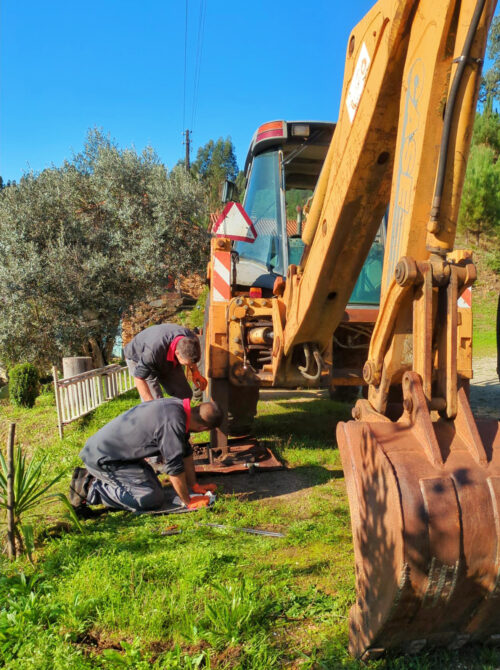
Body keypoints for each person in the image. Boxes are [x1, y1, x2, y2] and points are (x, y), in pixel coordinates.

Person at [69, 398, 222, 513]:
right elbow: (174, 467)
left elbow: (186, 452)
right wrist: (188, 501)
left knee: (155, 489)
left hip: (121, 457)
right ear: (203, 428)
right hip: (104, 460)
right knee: (151, 499)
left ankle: (98, 481)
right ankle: (90, 487)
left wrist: (194, 485)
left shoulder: (178, 407)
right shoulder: (173, 423)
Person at [124, 323, 202, 403]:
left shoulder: (192, 339)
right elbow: (139, 378)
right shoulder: (151, 352)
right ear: (177, 353)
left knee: (184, 395)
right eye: (185, 364)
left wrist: (195, 372)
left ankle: (177, 414)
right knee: (155, 402)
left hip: (164, 353)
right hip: (138, 357)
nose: (189, 366)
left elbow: (191, 357)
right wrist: (151, 405)